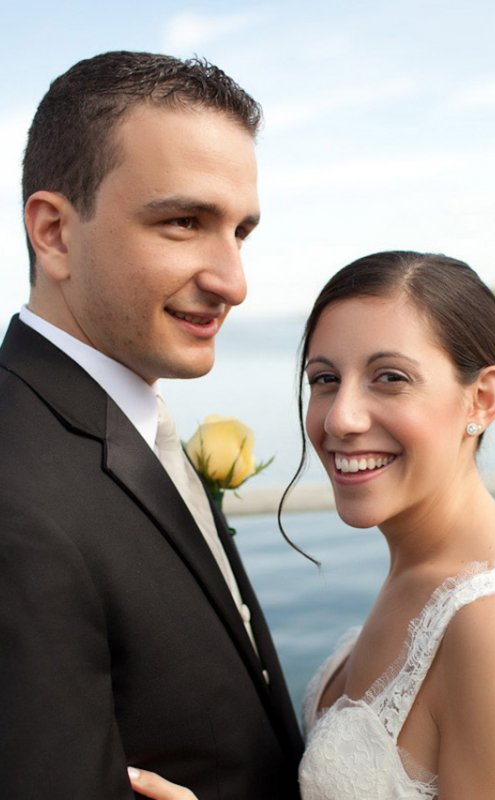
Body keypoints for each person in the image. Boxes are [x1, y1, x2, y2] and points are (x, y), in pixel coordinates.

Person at [129, 250, 495, 800]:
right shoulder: (420, 570)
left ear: (483, 399)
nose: (340, 417)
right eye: (324, 378)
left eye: (390, 378)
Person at [0, 51, 302, 799]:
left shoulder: (121, 424)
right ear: (55, 233)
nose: (233, 280)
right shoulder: (15, 495)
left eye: (240, 231)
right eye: (184, 222)